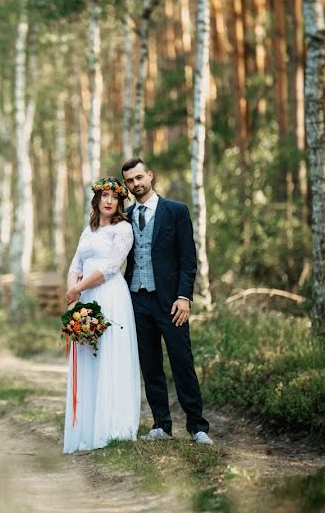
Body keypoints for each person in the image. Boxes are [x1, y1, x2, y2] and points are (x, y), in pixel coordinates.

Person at [121, 158, 213, 445]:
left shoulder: (175, 211)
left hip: (172, 303)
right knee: (150, 365)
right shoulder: (123, 217)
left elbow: (188, 260)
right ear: (126, 185)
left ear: (150, 175)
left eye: (139, 177)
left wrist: (184, 297)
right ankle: (161, 424)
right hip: (137, 300)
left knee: (182, 361)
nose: (136, 184)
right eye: (130, 181)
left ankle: (198, 427)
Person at [62, 177, 141, 454]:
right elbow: (76, 263)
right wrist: (73, 293)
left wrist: (78, 288)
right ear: (96, 199)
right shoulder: (89, 230)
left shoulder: (123, 229)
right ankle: (86, 430)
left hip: (110, 297)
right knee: (87, 358)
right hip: (85, 298)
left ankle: (111, 428)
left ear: (120, 202)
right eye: (104, 196)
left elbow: (109, 267)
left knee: (110, 356)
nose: (109, 201)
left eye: (114, 197)